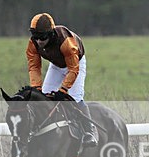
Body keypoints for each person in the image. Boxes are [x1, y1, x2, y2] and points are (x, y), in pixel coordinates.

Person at [26, 13, 97, 147]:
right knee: (44, 97)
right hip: (56, 65)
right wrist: (36, 88)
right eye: (35, 36)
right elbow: (34, 67)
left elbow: (73, 69)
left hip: (75, 63)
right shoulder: (33, 43)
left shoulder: (66, 42)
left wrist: (63, 90)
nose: (39, 41)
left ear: (51, 34)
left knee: (75, 97)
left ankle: (89, 131)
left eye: (42, 37)